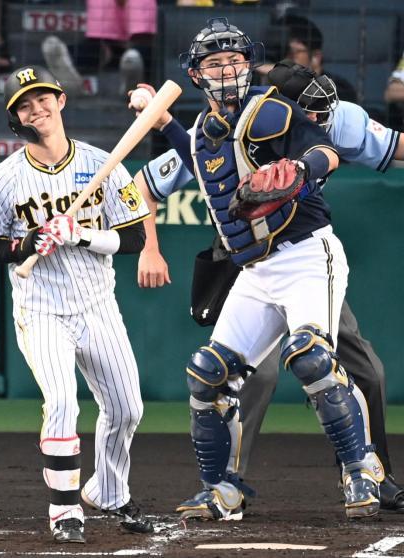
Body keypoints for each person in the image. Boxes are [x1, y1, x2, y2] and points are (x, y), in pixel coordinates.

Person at [131, 18, 379, 521]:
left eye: (236, 61)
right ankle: (221, 488)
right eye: (215, 63)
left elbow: (323, 150)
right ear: (197, 75)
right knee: (208, 375)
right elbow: (199, 161)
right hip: (256, 270)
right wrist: (164, 124)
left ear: (249, 65)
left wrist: (303, 170)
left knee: (310, 357)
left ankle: (361, 469)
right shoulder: (203, 131)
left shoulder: (272, 108)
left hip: (308, 255)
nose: (228, 71)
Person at [0, 65, 154, 543]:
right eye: (25, 105)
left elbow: (132, 237)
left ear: (61, 101)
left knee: (127, 407)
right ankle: (65, 510)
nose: (37, 109)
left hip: (97, 305)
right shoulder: (0, 180)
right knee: (63, 401)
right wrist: (25, 244)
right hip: (41, 308)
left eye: (42, 98)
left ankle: (108, 492)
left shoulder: (105, 162)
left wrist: (82, 235)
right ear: (16, 120)